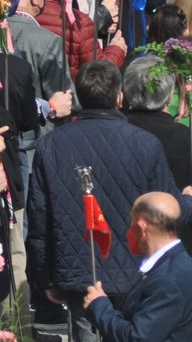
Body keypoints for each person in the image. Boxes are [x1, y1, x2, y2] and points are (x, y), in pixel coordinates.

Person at [30, 60, 180, 334]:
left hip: (79, 270)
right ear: (119, 97)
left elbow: (39, 218)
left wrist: (45, 277)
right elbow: (166, 211)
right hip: (132, 269)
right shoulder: (144, 144)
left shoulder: (51, 145)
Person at [84, 192, 192, 341]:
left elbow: (137, 338)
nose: (129, 232)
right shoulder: (173, 263)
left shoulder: (168, 280)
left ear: (141, 227)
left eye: (131, 225)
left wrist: (99, 306)